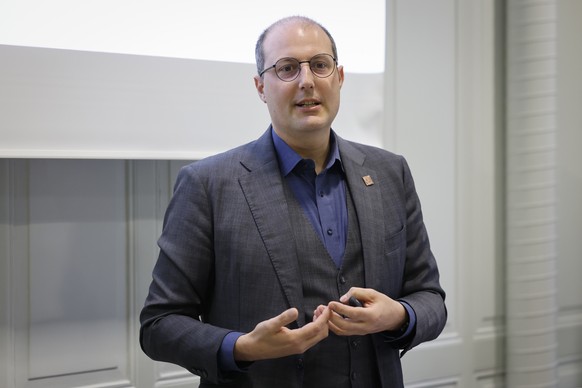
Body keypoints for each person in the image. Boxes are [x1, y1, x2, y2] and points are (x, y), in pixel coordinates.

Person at [140, 15, 447, 388]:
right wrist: (241, 347)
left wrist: (399, 315)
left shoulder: (389, 173)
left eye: (320, 65)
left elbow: (430, 298)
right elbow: (159, 325)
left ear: (339, 78)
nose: (306, 81)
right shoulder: (207, 185)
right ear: (260, 87)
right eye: (286, 68)